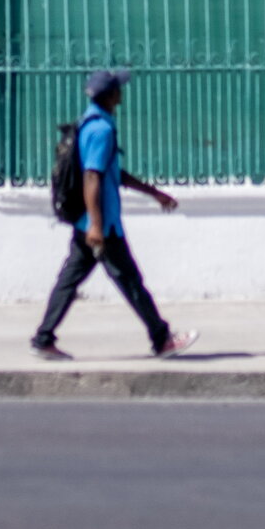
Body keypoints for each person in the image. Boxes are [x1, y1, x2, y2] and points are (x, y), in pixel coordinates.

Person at [31, 68, 197, 361]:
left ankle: (43, 338)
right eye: (118, 89)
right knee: (131, 282)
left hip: (89, 223)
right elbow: (92, 177)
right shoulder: (102, 130)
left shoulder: (89, 122)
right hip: (102, 226)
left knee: (69, 281)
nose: (122, 92)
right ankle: (161, 340)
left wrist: (153, 193)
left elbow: (111, 173)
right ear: (111, 96)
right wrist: (97, 225)